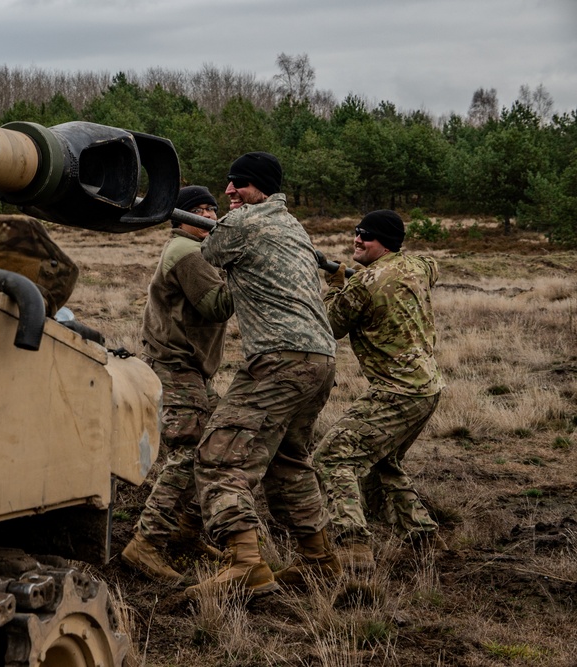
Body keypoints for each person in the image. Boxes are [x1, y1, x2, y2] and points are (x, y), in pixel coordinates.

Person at [186, 152, 340, 598]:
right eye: (229, 183)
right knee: (288, 462)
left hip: (278, 361)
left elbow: (210, 250)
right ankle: (319, 560)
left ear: (262, 189)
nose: (230, 191)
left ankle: (245, 565)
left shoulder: (246, 222)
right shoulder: (293, 226)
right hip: (320, 360)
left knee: (221, 457)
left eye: (241, 184)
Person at [314, 210, 445, 574]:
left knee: (334, 458)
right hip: (428, 387)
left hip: (397, 391)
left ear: (384, 242)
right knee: (381, 459)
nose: (357, 240)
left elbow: (327, 327)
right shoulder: (418, 266)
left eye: (366, 237)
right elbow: (433, 267)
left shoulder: (363, 285)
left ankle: (353, 547)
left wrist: (338, 284)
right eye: (356, 233)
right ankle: (423, 537)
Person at [120, 186, 235, 581]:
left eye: (213, 210)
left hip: (191, 369)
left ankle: (186, 530)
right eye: (200, 210)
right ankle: (146, 542)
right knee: (189, 453)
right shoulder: (185, 252)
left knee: (214, 446)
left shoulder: (196, 251)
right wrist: (256, 272)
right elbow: (216, 304)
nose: (209, 217)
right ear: (181, 218)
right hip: (175, 366)